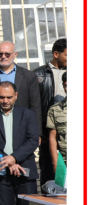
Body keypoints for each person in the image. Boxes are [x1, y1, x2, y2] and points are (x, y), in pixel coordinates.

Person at [0, 41, 42, 144]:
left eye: (7, 54)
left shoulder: (29, 76)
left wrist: (37, 132)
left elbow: (35, 105)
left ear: (15, 54)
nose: (3, 56)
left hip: (22, 125)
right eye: (0, 54)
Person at [34, 39, 68, 182]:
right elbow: (33, 105)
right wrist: (38, 132)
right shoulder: (38, 74)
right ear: (56, 54)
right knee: (49, 170)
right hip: (48, 131)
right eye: (66, 55)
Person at [47, 71, 68, 173]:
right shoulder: (54, 110)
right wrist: (55, 162)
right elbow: (53, 138)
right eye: (66, 85)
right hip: (64, 163)